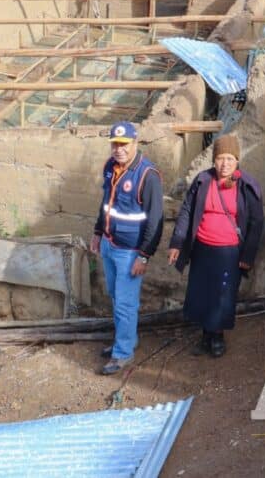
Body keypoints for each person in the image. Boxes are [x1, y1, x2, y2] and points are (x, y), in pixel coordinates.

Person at [168, 134, 263, 357]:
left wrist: (247, 256)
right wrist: (177, 242)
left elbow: (256, 223)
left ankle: (217, 335)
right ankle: (205, 335)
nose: (225, 164)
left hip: (229, 252)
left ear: (237, 160)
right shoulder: (203, 181)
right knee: (201, 292)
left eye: (230, 158)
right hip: (202, 249)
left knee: (223, 294)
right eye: (220, 158)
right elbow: (187, 212)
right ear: (214, 159)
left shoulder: (247, 186)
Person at [91, 121, 164, 375]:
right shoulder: (110, 168)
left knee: (125, 303)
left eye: (124, 144)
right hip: (110, 244)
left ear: (135, 143)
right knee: (115, 296)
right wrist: (98, 232)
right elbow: (106, 204)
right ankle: (127, 340)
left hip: (130, 251)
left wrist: (144, 256)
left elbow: (155, 220)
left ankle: (122, 354)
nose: (119, 149)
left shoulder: (147, 174)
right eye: (115, 144)